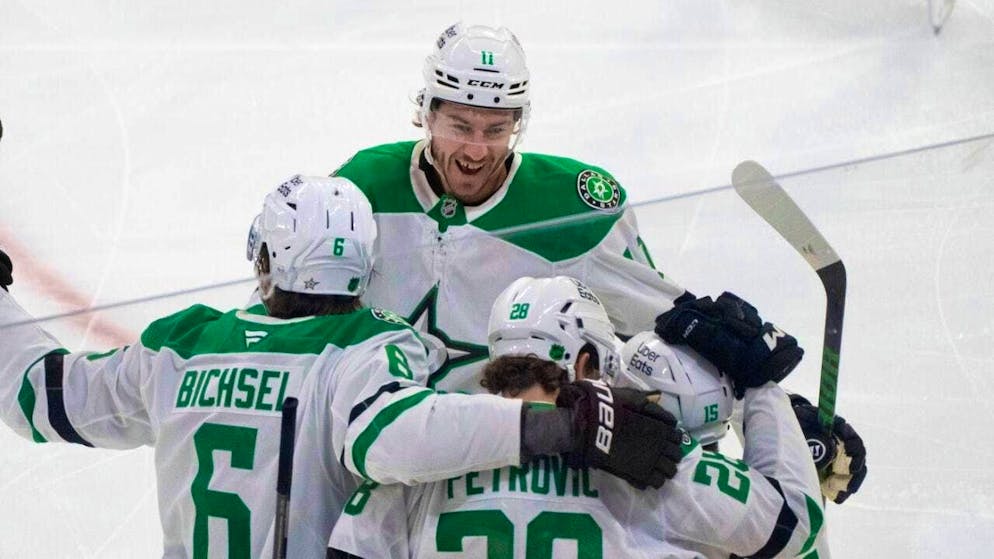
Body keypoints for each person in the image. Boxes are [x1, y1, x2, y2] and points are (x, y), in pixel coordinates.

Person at [0, 178, 684, 558]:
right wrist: (560, 423)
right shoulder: (367, 345)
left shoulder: (184, 344)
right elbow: (393, 439)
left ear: (266, 260)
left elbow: (34, 394)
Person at [329, 21, 865, 503]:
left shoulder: (570, 207)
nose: (475, 150)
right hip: (376, 467)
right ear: (427, 112)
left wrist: (778, 416)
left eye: (496, 130)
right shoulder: (363, 187)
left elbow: (664, 337)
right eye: (459, 126)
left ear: (519, 122)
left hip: (510, 475)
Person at [329, 276, 826, 558]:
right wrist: (760, 386)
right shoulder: (652, 455)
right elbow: (795, 528)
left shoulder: (427, 458)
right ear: (588, 363)